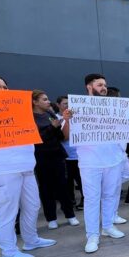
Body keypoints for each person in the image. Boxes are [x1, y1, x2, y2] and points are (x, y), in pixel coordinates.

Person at [0, 74, 56, 257]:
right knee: (6, 212)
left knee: (33, 204)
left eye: (5, 86)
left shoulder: (15, 108)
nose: (2, 90)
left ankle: (31, 239)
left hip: (24, 166)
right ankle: (9, 252)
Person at [69, 74, 127, 253]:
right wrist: (67, 118)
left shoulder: (113, 107)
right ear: (89, 87)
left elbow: (124, 128)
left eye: (105, 85)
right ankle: (92, 235)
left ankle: (108, 226)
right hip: (90, 162)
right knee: (92, 199)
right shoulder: (77, 108)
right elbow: (68, 132)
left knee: (111, 195)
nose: (104, 88)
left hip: (113, 159)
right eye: (100, 85)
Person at [31, 90, 79, 229]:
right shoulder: (30, 117)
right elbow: (37, 139)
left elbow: (59, 136)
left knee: (62, 187)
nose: (48, 102)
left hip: (56, 155)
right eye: (44, 99)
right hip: (41, 157)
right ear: (35, 102)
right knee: (46, 188)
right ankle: (51, 218)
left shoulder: (50, 114)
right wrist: (52, 127)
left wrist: (60, 125)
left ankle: (70, 215)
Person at [57, 96, 84, 210]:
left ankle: (84, 200)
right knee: (68, 182)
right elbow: (63, 137)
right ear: (58, 105)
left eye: (69, 104)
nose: (68, 106)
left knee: (82, 181)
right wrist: (65, 121)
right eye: (64, 104)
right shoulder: (56, 119)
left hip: (78, 156)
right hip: (66, 157)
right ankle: (71, 201)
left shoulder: (78, 117)